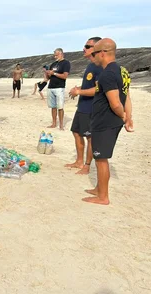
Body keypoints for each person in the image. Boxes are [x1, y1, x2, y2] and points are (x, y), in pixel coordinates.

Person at [82, 38, 133, 205]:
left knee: (101, 159)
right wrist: (128, 117)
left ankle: (103, 197)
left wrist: (124, 116)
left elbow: (116, 102)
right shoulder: (120, 70)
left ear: (102, 53)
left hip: (106, 122)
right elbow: (127, 96)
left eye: (94, 53)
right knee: (101, 159)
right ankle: (98, 189)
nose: (92, 56)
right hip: (108, 121)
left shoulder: (107, 74)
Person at [65, 37, 103, 175]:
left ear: (96, 48)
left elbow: (99, 89)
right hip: (82, 106)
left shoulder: (99, 66)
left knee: (89, 137)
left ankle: (87, 166)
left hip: (91, 108)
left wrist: (79, 91)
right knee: (76, 132)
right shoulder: (90, 65)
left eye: (87, 46)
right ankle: (79, 161)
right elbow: (90, 85)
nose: (84, 48)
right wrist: (78, 90)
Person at [46, 48, 71, 130]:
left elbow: (65, 76)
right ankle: (53, 123)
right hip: (51, 87)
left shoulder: (66, 63)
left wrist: (54, 73)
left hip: (59, 87)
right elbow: (48, 78)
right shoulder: (53, 64)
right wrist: (48, 73)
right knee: (53, 107)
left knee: (60, 107)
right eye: (54, 55)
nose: (55, 57)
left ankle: (61, 125)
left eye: (56, 55)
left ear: (61, 54)